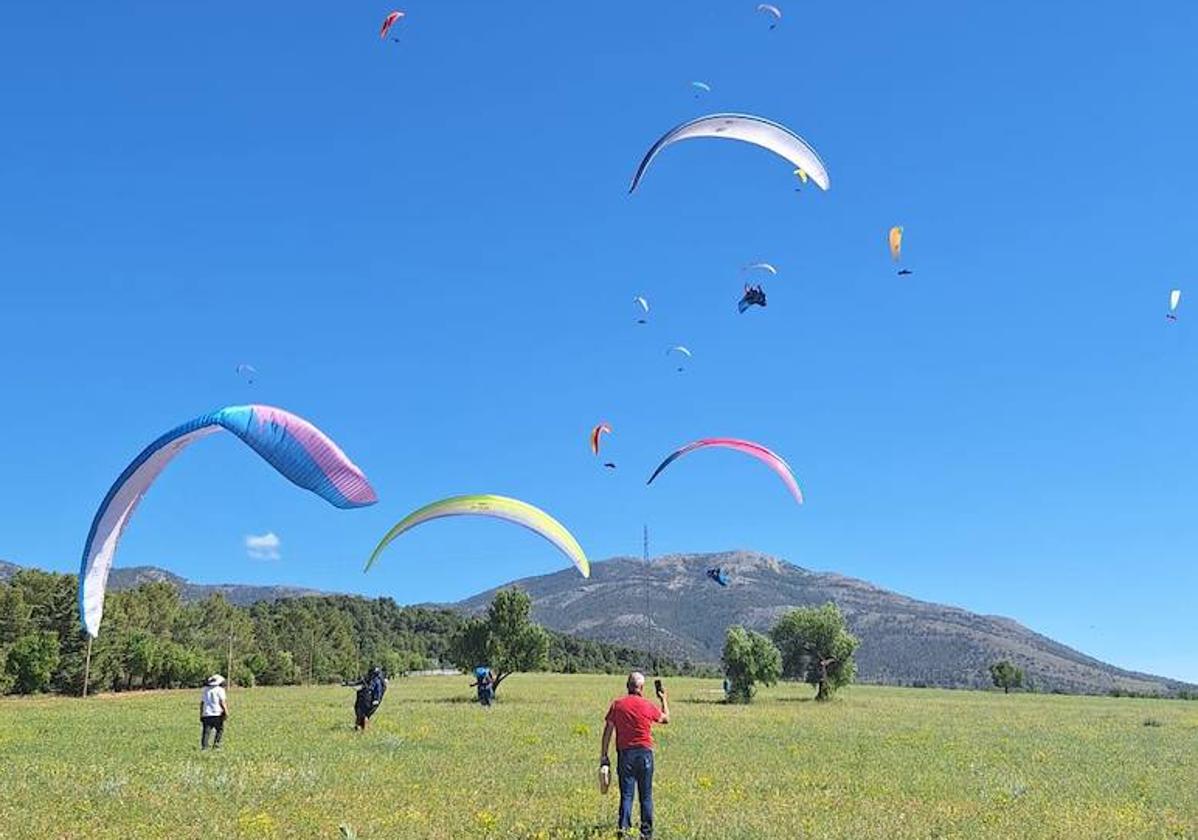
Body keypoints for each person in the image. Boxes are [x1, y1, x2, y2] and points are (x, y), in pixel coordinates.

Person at [601, 672, 670, 839]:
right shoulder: (647, 705)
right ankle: (646, 835)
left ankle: (623, 832)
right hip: (645, 754)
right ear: (642, 688)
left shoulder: (617, 705)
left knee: (627, 796)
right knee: (645, 797)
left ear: (627, 686)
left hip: (625, 755)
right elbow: (666, 719)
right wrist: (663, 699)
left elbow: (608, 731)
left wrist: (604, 755)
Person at [199, 674, 228, 750]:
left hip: (207, 713)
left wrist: (201, 714)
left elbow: (202, 703)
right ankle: (216, 745)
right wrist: (226, 712)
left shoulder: (205, 690)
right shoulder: (220, 690)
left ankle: (204, 747)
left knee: (206, 732)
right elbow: (222, 702)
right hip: (217, 713)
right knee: (220, 730)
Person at [354, 666, 387, 731]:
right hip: (368, 698)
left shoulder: (377, 680)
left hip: (372, 700)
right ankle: (360, 727)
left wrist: (376, 699)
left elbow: (378, 691)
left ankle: (363, 729)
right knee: (362, 713)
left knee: (365, 714)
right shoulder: (371, 679)